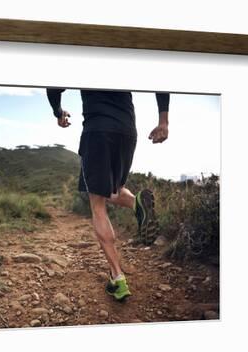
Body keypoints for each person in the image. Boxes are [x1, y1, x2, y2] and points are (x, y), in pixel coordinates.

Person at [47, 88, 170, 301]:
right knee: (114, 190)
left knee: (97, 205)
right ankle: (135, 202)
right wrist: (164, 122)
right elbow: (161, 81)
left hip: (97, 131)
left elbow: (52, 87)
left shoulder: (80, 55)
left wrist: (58, 112)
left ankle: (117, 277)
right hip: (127, 131)